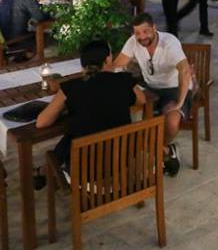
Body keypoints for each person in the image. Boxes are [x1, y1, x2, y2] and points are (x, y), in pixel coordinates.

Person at [36, 40, 146, 170]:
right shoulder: (124, 79)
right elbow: (142, 100)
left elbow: (41, 122)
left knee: (70, 136)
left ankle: (44, 171)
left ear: (83, 64)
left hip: (85, 171)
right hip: (121, 162)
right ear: (108, 59)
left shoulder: (71, 87)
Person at [113, 13, 195, 176]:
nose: (141, 37)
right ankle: (164, 151)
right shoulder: (133, 42)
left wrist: (179, 104)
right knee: (132, 116)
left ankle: (157, 150)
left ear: (154, 28)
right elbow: (117, 64)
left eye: (145, 31)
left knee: (172, 121)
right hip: (150, 88)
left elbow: (185, 71)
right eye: (137, 33)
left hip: (174, 88)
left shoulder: (169, 42)